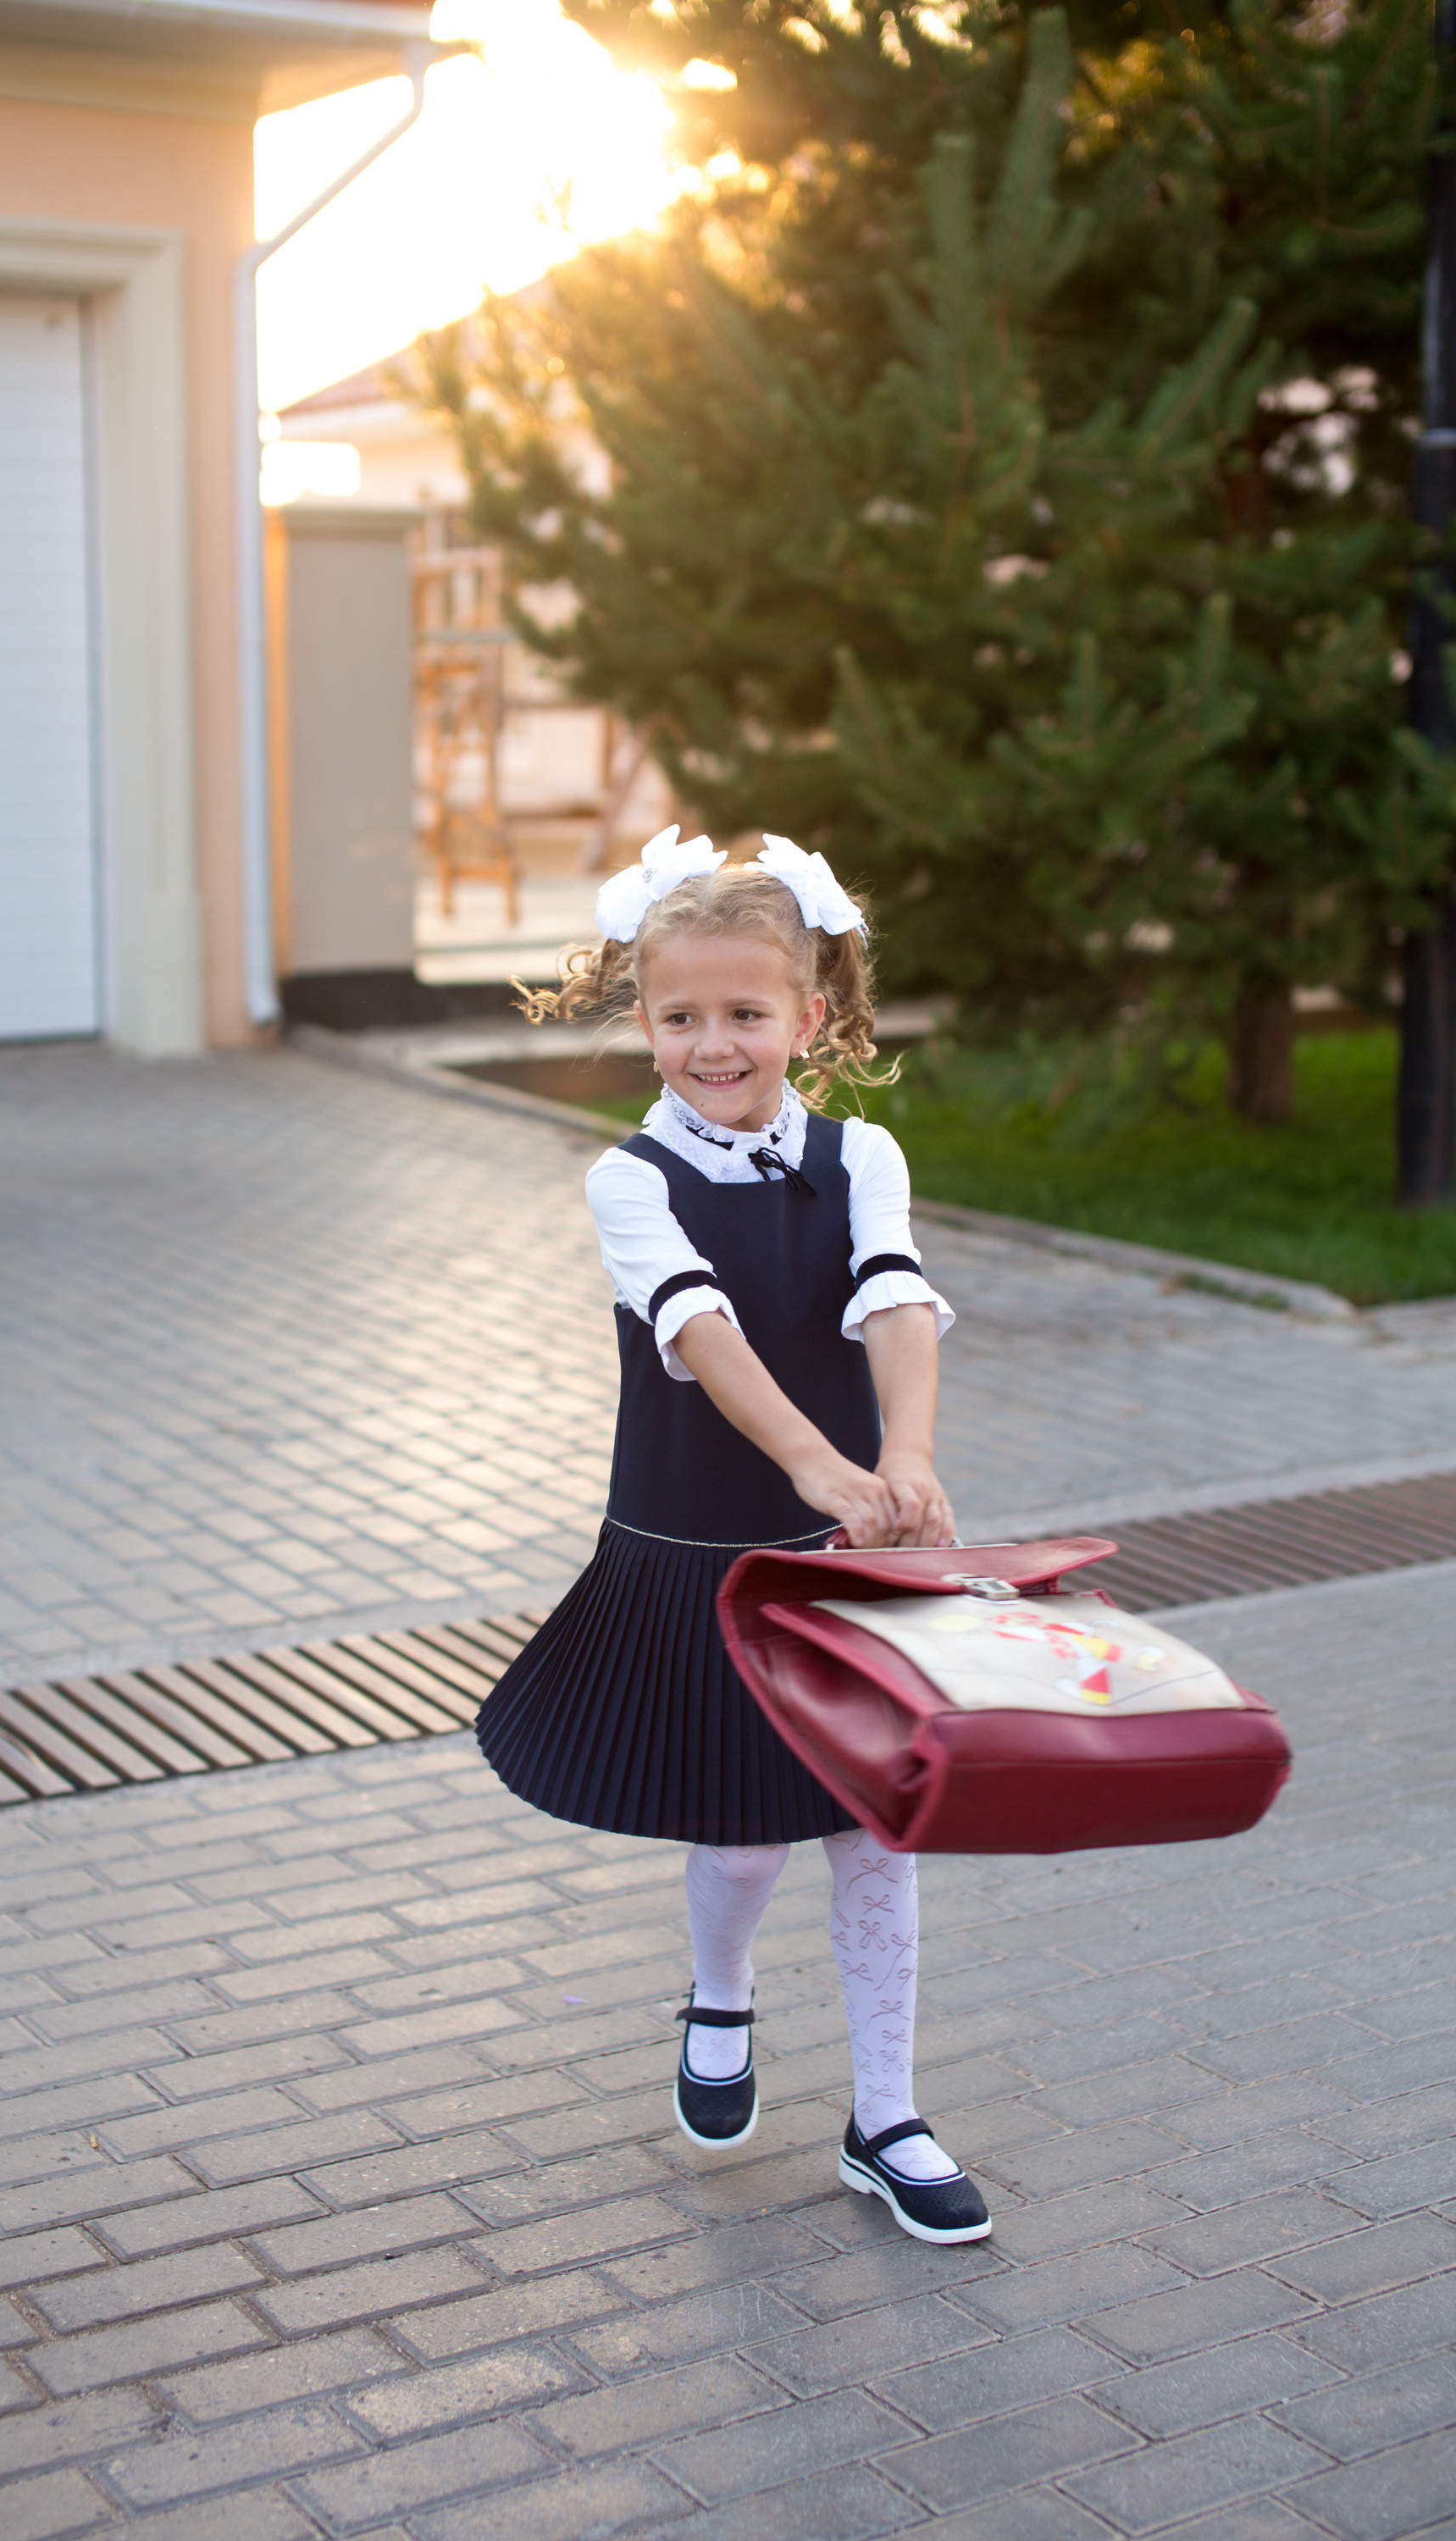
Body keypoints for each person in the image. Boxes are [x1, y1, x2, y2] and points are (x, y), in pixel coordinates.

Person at [474, 827, 990, 2245]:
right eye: (682, 1016)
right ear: (645, 1020)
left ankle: (886, 2118)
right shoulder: (628, 1178)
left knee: (878, 1833)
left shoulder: (862, 1153)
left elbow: (893, 1294)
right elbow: (698, 1328)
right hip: (703, 1545)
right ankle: (720, 1993)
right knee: (748, 1838)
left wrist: (905, 1459)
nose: (714, 1045)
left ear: (809, 1018)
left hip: (847, 1552)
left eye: (747, 1013)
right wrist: (819, 1462)